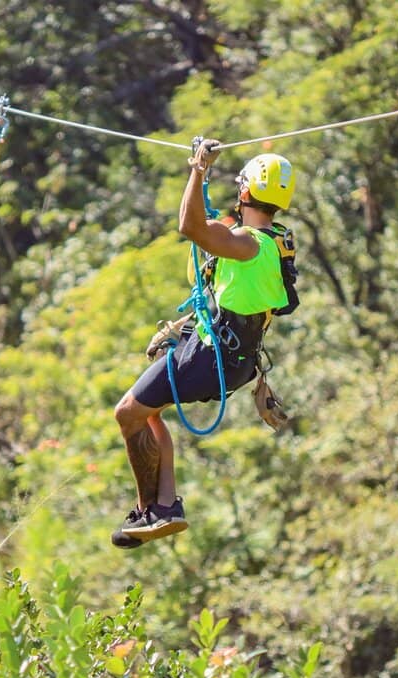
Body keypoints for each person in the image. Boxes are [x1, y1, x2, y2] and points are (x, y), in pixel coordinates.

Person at [110, 139, 296, 548]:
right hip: (231, 357)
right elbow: (235, 299)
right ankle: (164, 504)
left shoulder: (248, 244)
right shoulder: (274, 243)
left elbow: (190, 227)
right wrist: (183, 327)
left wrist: (198, 170)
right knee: (147, 411)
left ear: (245, 191)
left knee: (128, 414)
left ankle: (152, 512)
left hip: (212, 356)